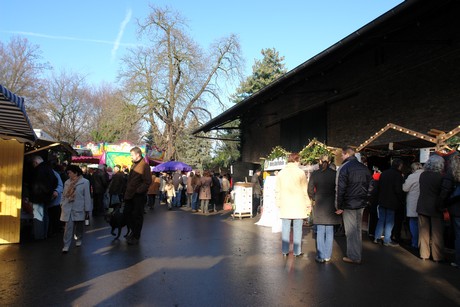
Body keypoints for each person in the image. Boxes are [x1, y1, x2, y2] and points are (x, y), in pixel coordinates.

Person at [336, 147, 371, 264]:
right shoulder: (364, 168)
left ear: (346, 154)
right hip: (361, 203)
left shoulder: (344, 168)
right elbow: (371, 187)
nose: (341, 157)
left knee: (350, 231)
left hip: (349, 204)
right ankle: (357, 254)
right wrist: (366, 200)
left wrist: (339, 206)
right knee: (357, 229)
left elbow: (340, 189)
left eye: (342, 154)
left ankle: (353, 256)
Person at [275, 152, 311, 257]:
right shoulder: (300, 173)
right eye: (299, 160)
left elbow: (277, 189)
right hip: (298, 204)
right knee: (298, 229)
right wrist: (308, 203)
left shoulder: (281, 173)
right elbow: (305, 190)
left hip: (285, 204)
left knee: (285, 228)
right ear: (296, 160)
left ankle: (285, 251)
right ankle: (297, 251)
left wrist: (278, 202)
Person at [308, 155, 341, 262]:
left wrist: (314, 197)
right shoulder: (335, 174)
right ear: (329, 161)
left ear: (320, 161)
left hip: (319, 203)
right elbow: (339, 189)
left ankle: (321, 256)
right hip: (331, 204)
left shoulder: (315, 174)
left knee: (321, 230)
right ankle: (327, 255)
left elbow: (310, 189)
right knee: (330, 230)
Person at [417, 155, 445, 262]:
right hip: (435, 207)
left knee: (423, 232)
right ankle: (437, 256)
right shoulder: (440, 177)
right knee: (437, 233)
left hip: (422, 205)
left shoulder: (423, 175)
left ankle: (424, 254)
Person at [60, 165, 92, 254]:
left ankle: (79, 238)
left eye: (70, 172)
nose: (68, 174)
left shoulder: (85, 182)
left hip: (79, 207)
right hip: (68, 207)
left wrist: (87, 209)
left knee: (79, 225)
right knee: (68, 227)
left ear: (76, 173)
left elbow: (87, 196)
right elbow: (63, 194)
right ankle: (66, 245)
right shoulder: (67, 182)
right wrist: (62, 203)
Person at [123, 147, 152, 245]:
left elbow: (147, 181)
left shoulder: (144, 165)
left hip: (138, 196)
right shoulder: (134, 164)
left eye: (132, 155)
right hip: (130, 195)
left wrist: (138, 191)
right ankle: (133, 232)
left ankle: (136, 236)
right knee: (127, 214)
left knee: (137, 216)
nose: (131, 156)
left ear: (138, 155)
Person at [374, 158, 405, 247]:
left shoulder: (384, 173)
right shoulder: (398, 175)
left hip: (382, 199)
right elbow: (398, 190)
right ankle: (387, 240)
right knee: (390, 221)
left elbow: (378, 187)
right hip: (392, 201)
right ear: (399, 165)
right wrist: (401, 199)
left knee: (381, 219)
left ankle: (377, 237)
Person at [29, 155, 58, 240]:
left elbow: (38, 183)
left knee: (38, 216)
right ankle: (44, 234)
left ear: (35, 162)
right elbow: (55, 181)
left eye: (33, 164)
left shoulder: (38, 170)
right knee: (45, 215)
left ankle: (39, 236)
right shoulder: (49, 169)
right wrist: (50, 191)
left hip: (38, 197)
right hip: (47, 197)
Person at [402, 162, 423, 249]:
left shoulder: (412, 176)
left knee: (413, 222)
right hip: (423, 202)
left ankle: (415, 243)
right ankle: (422, 244)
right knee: (422, 224)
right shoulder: (425, 174)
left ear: (413, 169)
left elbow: (405, 188)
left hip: (413, 202)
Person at [444, 155, 460, 267]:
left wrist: (442, 203)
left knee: (458, 235)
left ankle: (458, 261)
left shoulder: (451, 174)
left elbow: (445, 190)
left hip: (456, 208)